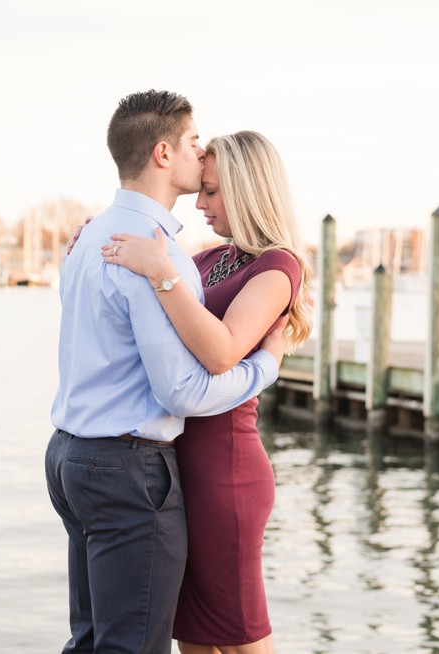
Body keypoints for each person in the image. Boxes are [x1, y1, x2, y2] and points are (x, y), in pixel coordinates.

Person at [45, 91, 288, 654]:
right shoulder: (160, 254)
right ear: (162, 153)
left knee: (94, 639)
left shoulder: (95, 240)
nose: (199, 154)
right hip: (127, 467)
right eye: (193, 144)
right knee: (131, 646)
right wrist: (267, 368)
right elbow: (180, 389)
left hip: (72, 454)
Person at [100, 130, 313, 654]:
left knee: (241, 635)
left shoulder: (277, 266)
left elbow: (221, 353)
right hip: (174, 469)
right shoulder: (208, 260)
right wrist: (103, 236)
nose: (200, 203)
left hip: (226, 472)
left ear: (247, 191)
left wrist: (160, 274)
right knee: (192, 633)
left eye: (212, 191)